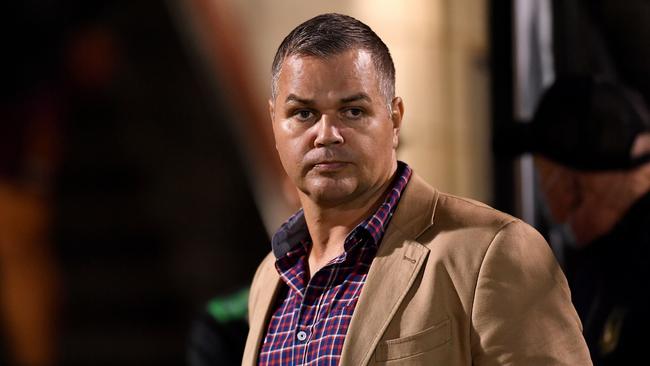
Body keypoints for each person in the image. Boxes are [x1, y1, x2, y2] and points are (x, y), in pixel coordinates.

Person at [242, 13, 591, 365]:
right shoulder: (270, 277)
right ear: (275, 124)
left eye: (352, 111)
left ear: (394, 119)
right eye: (303, 113)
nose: (327, 133)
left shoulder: (492, 251)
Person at [526, 75, 650, 365]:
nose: (545, 196)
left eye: (545, 179)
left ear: (572, 188)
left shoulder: (633, 272)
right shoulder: (606, 260)